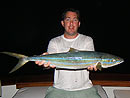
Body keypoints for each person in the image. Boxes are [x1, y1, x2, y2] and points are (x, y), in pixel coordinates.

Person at [35, 8, 101, 98]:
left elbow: (91, 60)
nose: (71, 23)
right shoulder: (54, 41)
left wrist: (93, 66)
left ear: (79, 24)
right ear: (63, 23)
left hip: (85, 88)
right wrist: (45, 63)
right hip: (59, 88)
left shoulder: (87, 40)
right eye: (68, 19)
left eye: (75, 20)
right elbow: (50, 62)